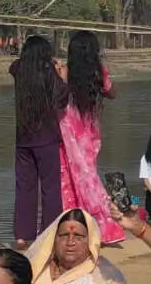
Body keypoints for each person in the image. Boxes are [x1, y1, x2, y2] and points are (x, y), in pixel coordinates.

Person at [54, 30, 127, 245]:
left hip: (67, 132)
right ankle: (98, 227)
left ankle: (75, 227)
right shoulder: (98, 73)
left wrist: (61, 78)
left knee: (69, 179)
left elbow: (57, 97)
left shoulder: (65, 73)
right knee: (88, 176)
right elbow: (112, 93)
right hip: (88, 133)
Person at [9, 35, 68, 246]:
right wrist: (61, 74)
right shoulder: (48, 73)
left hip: (23, 139)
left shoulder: (19, 70)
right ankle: (50, 232)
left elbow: (13, 65)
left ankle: (23, 235)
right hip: (46, 138)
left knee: (24, 187)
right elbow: (62, 99)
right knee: (50, 188)